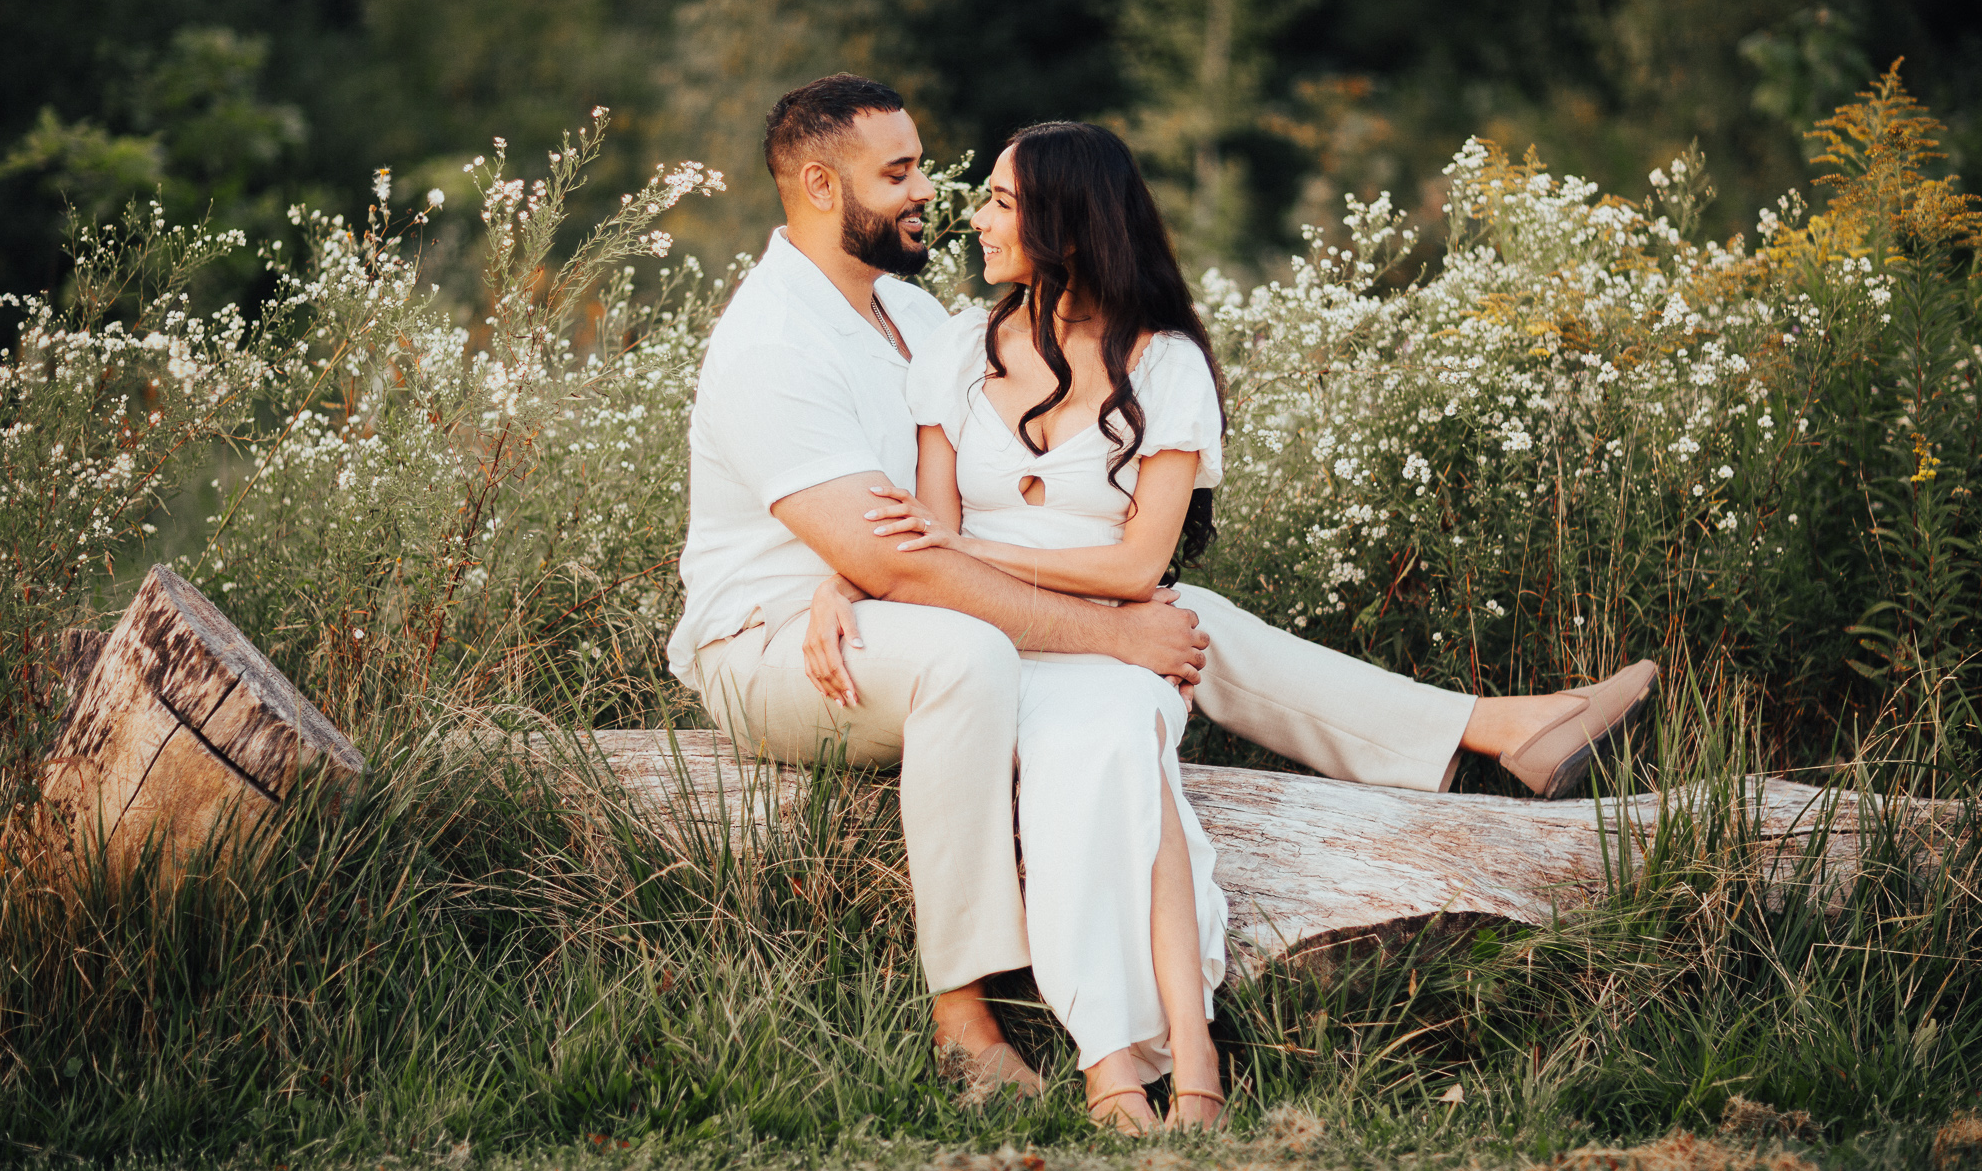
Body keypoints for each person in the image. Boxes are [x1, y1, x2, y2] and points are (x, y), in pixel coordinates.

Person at [666, 73, 1657, 1108]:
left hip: (873, 606)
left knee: (1177, 619)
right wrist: (1074, 627)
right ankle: (960, 1016)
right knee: (981, 654)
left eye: (924, 163)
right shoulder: (772, 341)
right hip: (778, 643)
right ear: (821, 186)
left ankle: (1491, 728)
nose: (933, 190)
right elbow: (906, 552)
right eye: (900, 171)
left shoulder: (907, 311)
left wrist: (872, 577)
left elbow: (916, 508)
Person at [803, 121, 1233, 1131]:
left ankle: (1152, 1060)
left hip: (1105, 634)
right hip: (989, 640)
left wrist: (961, 555)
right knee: (1122, 778)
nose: (976, 216)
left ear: (1066, 224)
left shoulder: (1168, 365)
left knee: (1116, 735)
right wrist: (849, 577)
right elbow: (926, 528)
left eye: (1000, 200)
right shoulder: (957, 347)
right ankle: (1137, 1060)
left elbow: (1136, 567)